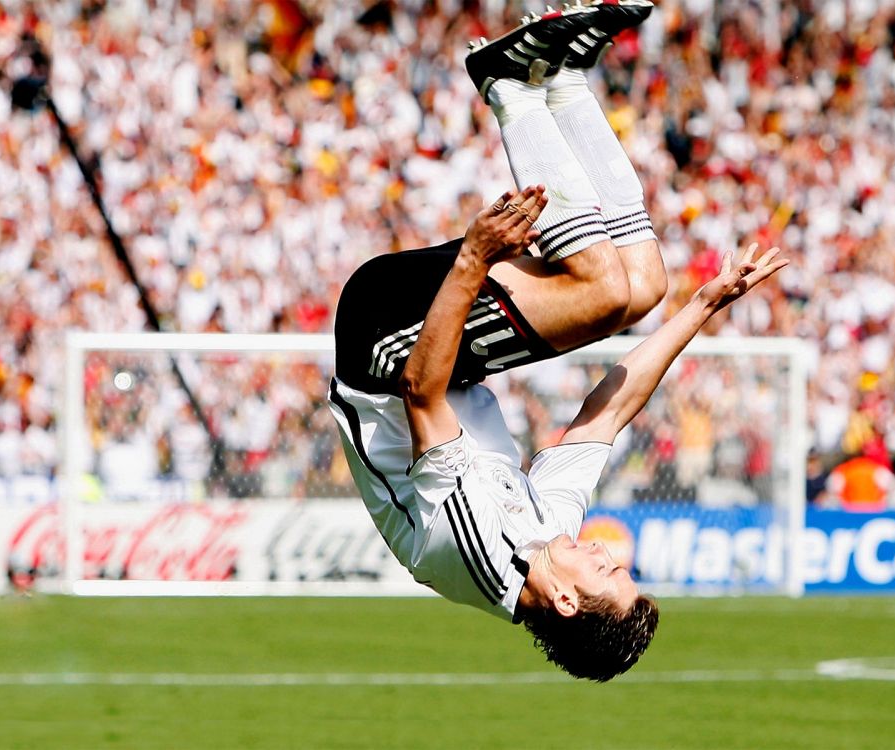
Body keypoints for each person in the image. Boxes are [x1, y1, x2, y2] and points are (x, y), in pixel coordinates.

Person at [328, 3, 787, 681]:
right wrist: (705, 304)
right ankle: (565, 80)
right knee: (643, 286)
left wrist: (474, 259)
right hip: (436, 355)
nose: (610, 555)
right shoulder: (550, 538)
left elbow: (419, 392)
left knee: (602, 290)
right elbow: (607, 413)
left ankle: (508, 86)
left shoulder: (478, 549)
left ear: (567, 600)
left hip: (385, 345)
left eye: (609, 574)